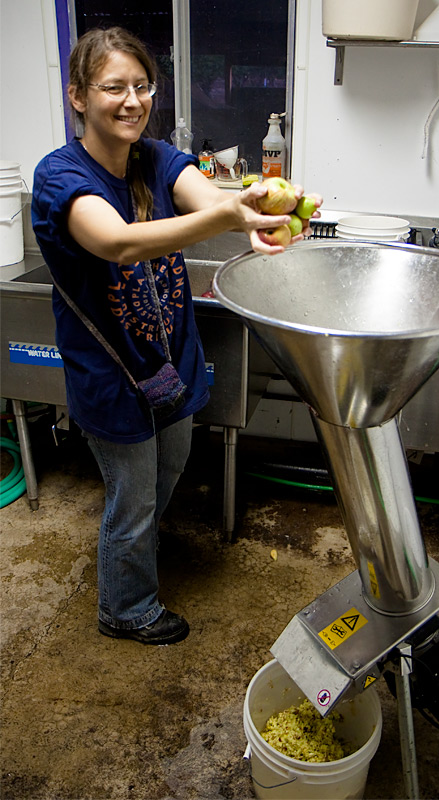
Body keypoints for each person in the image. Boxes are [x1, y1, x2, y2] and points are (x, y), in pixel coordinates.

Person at [31, 26, 321, 646]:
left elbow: (204, 196)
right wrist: (224, 214)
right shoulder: (60, 175)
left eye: (142, 86)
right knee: (132, 500)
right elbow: (116, 242)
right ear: (78, 96)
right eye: (114, 88)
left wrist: (255, 211)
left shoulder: (156, 157)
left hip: (172, 361)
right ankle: (126, 608)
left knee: (168, 473)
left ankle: (132, 550)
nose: (133, 101)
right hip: (114, 376)